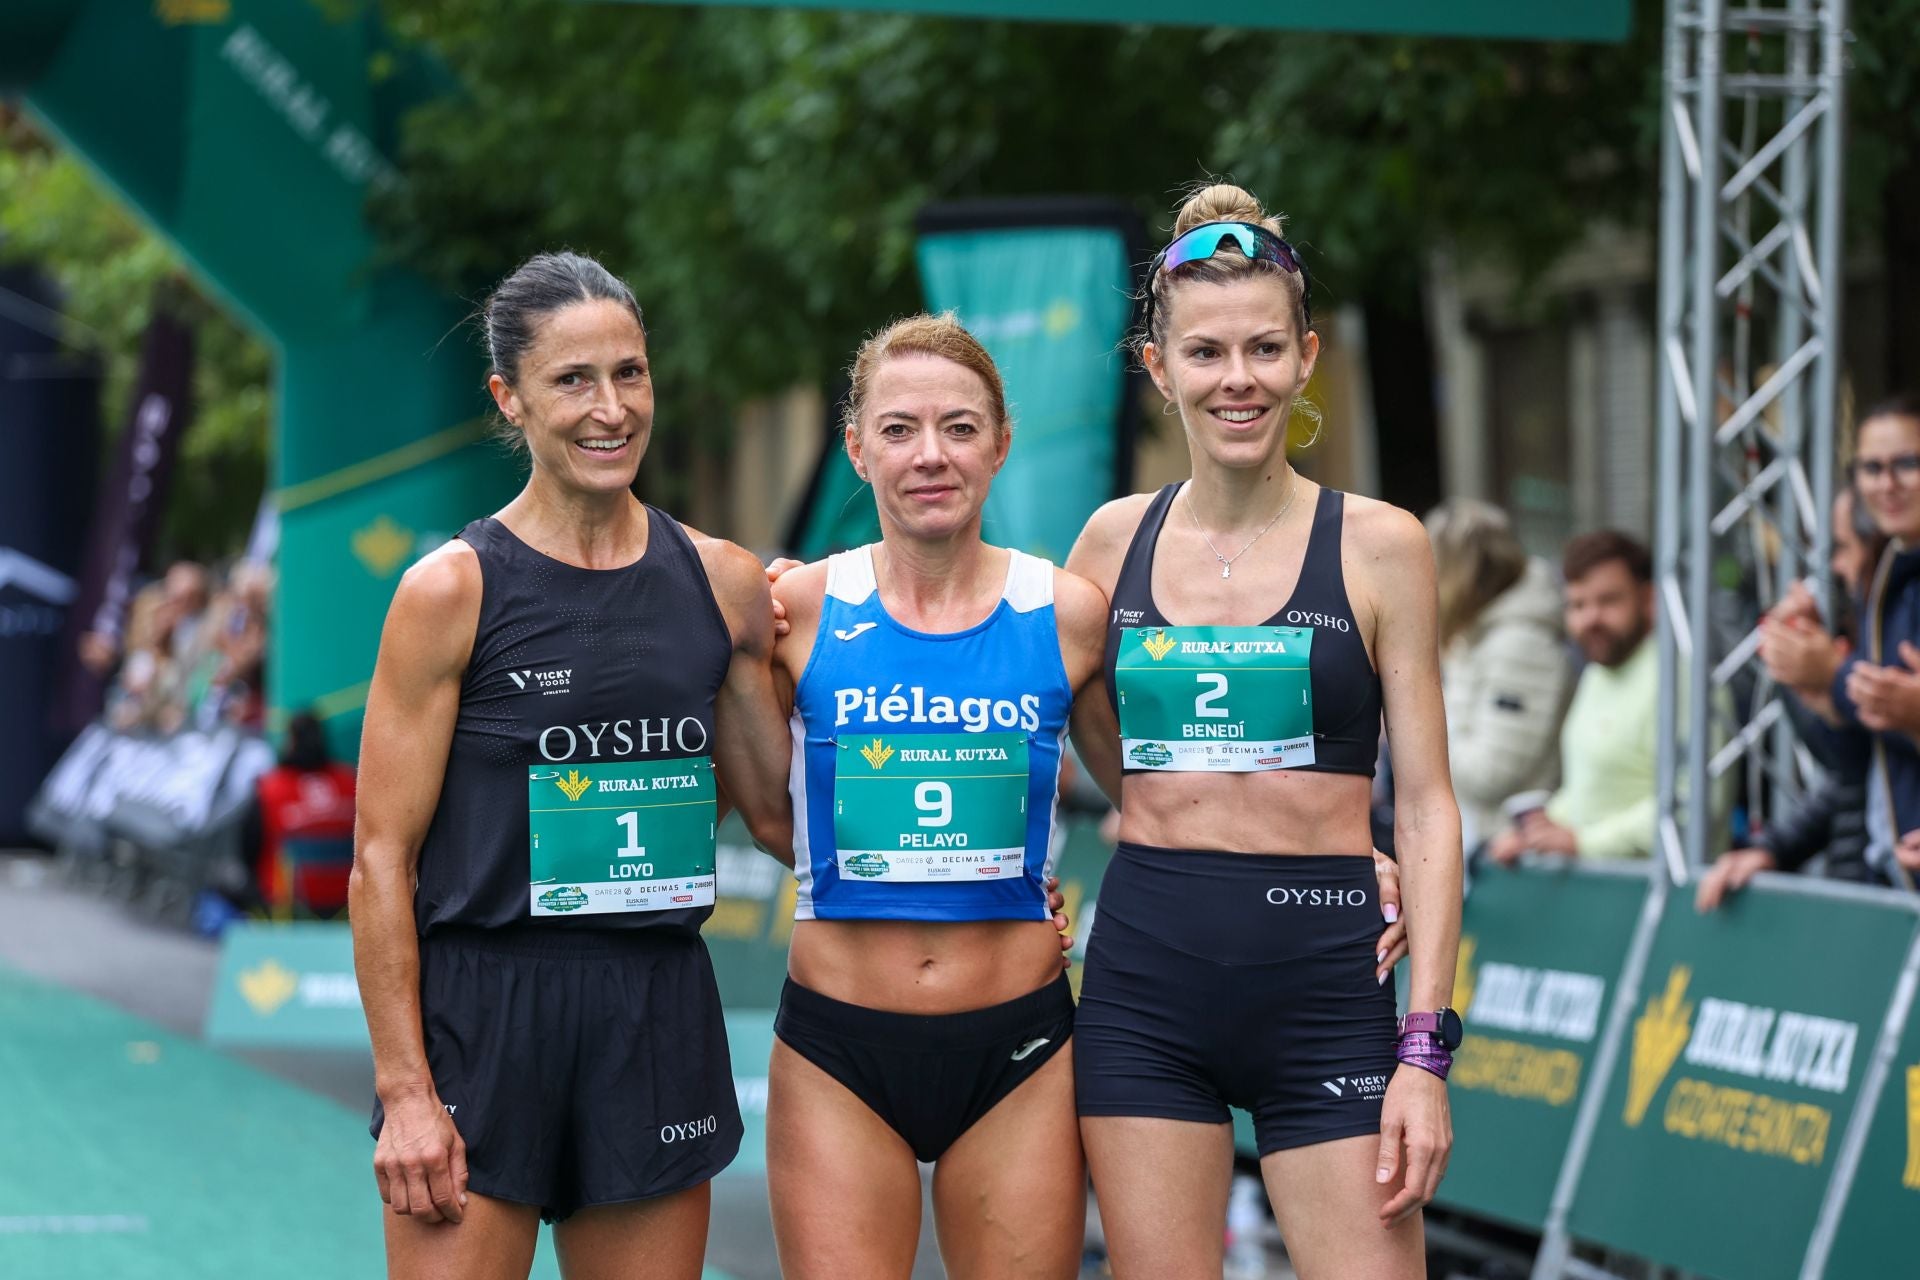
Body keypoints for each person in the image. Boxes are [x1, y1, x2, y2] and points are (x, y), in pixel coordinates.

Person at [350, 251, 790, 1280]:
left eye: (630, 373)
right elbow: (379, 858)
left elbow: (779, 814)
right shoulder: (450, 590)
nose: (611, 409)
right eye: (573, 380)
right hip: (481, 1014)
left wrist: (999, 880)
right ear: (509, 397)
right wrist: (407, 1091)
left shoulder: (723, 583)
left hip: (653, 1010)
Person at [1064, 184, 1461, 1279]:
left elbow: (1429, 804)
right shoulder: (1108, 543)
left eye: (1263, 349)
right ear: (1159, 367)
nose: (1236, 378)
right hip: (1147, 983)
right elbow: (1043, 698)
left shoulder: (1382, 545)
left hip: (1325, 982)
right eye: (1205, 353)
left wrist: (1425, 1049)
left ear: (1305, 357)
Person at [763, 314, 1108, 1279]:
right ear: (856, 448)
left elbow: (1162, 797)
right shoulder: (793, 612)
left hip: (1018, 1046)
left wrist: (1340, 849)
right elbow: (753, 807)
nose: (930, 455)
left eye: (960, 428)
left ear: (1000, 444)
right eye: (899, 429)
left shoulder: (1069, 613)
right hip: (838, 1047)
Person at [1698, 485, 1886, 909]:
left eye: (1842, 548)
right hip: (1865, 884)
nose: (1836, 568)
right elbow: (1855, 772)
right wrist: (1774, 849)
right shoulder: (1867, 634)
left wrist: (1831, 678)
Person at [1767, 393, 1920, 893]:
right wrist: (1812, 687)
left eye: (1907, 463)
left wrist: (1834, 676)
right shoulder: (1893, 580)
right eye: (1871, 468)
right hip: (1891, 874)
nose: (1887, 484)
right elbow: (1858, 760)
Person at [1488, 530, 1664, 865]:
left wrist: (1583, 842)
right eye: (1578, 605)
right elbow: (1589, 789)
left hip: (1659, 890)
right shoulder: (1599, 671)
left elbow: (1692, 807)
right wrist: (1535, 833)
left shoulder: (1677, 678)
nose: (1590, 618)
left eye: (1608, 600)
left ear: (1648, 600)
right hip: (1605, 886)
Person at [1424, 498, 1574, 850]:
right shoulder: (1478, 636)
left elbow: (1489, 773)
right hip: (1483, 845)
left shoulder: (1519, 644)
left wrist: (1415, 725)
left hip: (1508, 852)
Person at [254, 708, 356, 914]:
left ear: (291, 741)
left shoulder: (269, 788)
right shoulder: (350, 782)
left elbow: (250, 848)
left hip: (286, 911)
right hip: (347, 907)